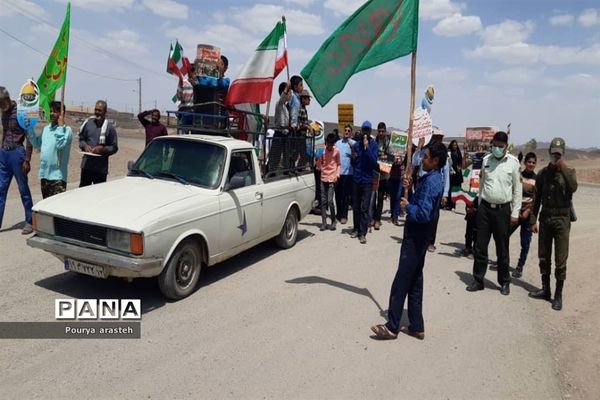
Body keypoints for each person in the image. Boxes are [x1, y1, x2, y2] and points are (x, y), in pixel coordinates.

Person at [370, 141, 447, 340]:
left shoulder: (433, 181)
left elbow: (423, 213)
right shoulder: (431, 178)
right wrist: (410, 188)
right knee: (414, 282)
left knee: (401, 281)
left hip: (416, 237)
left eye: (427, 156)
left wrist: (407, 207)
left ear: (436, 161)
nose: (424, 159)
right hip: (419, 237)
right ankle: (416, 325)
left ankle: (392, 326)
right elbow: (421, 200)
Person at [466, 131, 521, 295]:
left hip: (503, 211)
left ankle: (504, 282)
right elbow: (481, 184)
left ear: (506, 146)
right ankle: (478, 280)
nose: (497, 148)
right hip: (485, 210)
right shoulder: (486, 160)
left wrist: (515, 213)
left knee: (502, 248)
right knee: (480, 246)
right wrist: (480, 203)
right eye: (495, 145)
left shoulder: (513, 163)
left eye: (500, 146)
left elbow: (517, 190)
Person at [528, 138, 577, 311]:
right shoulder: (542, 174)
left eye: (558, 154)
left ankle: (558, 295)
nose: (555, 156)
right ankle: (546, 289)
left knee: (560, 259)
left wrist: (562, 168)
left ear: (562, 154)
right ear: (549, 153)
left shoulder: (569, 171)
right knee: (544, 255)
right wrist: (533, 220)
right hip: (546, 217)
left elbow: (573, 187)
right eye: (553, 153)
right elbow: (537, 199)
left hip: (562, 219)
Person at [0, 86, 34, 234]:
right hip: (4, 155)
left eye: (1, 103)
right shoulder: (3, 113)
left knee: (23, 189)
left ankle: (30, 221)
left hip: (18, 155)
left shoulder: (22, 112)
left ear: (6, 99)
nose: (0, 107)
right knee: (0, 190)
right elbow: (5, 133)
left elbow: (30, 137)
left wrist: (27, 159)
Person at [27, 101, 72, 199]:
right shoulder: (46, 129)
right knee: (46, 207)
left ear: (62, 114)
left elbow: (60, 145)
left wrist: (60, 127)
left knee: (56, 208)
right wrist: (29, 128)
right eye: (51, 111)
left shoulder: (67, 130)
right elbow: (37, 144)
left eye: (55, 111)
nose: (52, 114)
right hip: (45, 175)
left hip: (58, 177)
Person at [78, 100, 118, 186]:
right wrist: (85, 146)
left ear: (105, 112)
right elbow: (81, 140)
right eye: (96, 110)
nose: (97, 112)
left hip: (100, 169)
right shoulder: (88, 124)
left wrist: (103, 149)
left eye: (100, 110)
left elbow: (114, 147)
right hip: (86, 166)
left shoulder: (110, 128)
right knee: (83, 194)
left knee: (98, 195)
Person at [350, 121, 378, 244]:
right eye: (364, 129)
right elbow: (353, 162)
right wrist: (353, 158)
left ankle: (363, 233)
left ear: (370, 131)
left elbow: (374, 163)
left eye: (367, 130)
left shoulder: (373, 145)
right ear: (361, 130)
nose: (365, 132)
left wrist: (367, 148)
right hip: (357, 179)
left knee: (364, 208)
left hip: (367, 180)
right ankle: (356, 229)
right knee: (356, 206)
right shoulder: (356, 145)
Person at [510, 152, 537, 278]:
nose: (531, 164)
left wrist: (528, 211)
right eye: (529, 162)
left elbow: (537, 200)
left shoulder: (537, 180)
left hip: (527, 215)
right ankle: (502, 261)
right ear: (525, 162)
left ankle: (520, 267)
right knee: (503, 236)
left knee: (525, 243)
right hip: (515, 212)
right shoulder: (518, 176)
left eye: (533, 162)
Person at [316, 133, 340, 231]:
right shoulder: (322, 151)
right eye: (328, 144)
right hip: (323, 178)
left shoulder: (336, 151)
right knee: (323, 201)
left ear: (333, 143)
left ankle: (333, 221)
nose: (329, 146)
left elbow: (338, 164)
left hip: (332, 179)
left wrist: (337, 175)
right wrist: (318, 164)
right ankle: (324, 223)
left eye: (331, 144)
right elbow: (318, 165)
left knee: (330, 201)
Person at [372, 122, 392, 230]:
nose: (380, 133)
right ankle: (373, 217)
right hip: (374, 174)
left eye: (382, 131)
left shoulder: (389, 143)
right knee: (372, 197)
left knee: (380, 198)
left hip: (384, 175)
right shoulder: (373, 142)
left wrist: (383, 158)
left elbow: (391, 156)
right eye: (379, 131)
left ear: (385, 131)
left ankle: (378, 220)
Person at [268, 81, 291, 172]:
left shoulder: (286, 107)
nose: (290, 95)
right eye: (289, 92)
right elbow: (282, 98)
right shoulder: (279, 104)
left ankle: (286, 171)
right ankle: (271, 172)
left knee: (286, 155)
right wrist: (287, 88)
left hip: (285, 134)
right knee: (275, 156)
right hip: (279, 134)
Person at [335, 124, 355, 224]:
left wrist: (353, 151)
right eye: (345, 130)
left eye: (348, 131)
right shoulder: (338, 143)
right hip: (338, 173)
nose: (346, 132)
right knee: (338, 194)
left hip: (349, 173)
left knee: (346, 195)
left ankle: (344, 216)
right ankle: (338, 214)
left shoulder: (354, 144)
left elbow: (357, 157)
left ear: (351, 133)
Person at [388, 152, 407, 225]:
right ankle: (392, 215)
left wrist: (398, 160)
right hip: (392, 175)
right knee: (392, 196)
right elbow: (388, 160)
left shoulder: (404, 150)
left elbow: (402, 162)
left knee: (398, 196)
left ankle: (395, 217)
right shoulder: (391, 149)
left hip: (400, 177)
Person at [176, 67, 196, 133]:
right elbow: (178, 97)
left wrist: (195, 85)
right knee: (184, 133)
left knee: (195, 134)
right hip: (185, 110)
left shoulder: (198, 83)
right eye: (193, 73)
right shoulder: (183, 82)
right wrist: (181, 88)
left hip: (195, 111)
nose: (195, 75)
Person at [447, 140, 463, 210]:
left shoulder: (458, 152)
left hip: (457, 174)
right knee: (450, 189)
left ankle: (453, 204)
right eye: (453, 145)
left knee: (455, 189)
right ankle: (449, 204)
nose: (455, 146)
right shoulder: (449, 152)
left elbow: (461, 161)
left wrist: (459, 167)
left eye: (456, 145)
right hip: (450, 173)